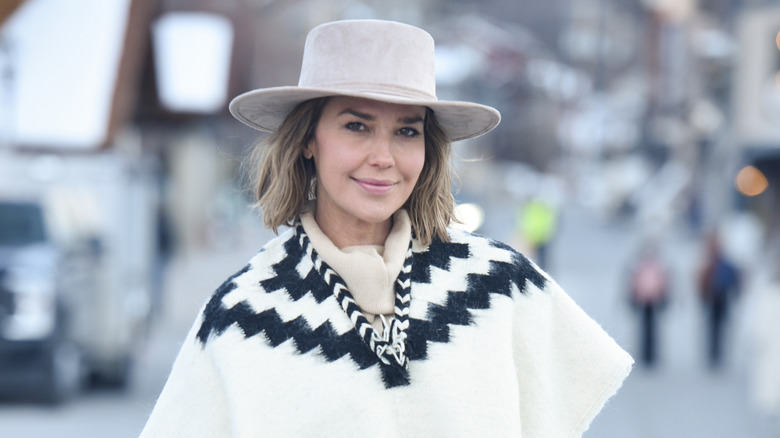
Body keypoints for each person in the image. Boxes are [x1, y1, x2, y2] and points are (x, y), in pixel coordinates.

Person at [139, 19, 633, 437]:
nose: (383, 158)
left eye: (407, 131)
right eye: (356, 126)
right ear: (309, 139)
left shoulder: (500, 286)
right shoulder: (243, 317)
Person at [696, 230, 741, 368]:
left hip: (721, 297)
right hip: (713, 298)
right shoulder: (709, 263)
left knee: (719, 327)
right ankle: (714, 353)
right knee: (713, 327)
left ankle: (717, 353)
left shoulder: (719, 262)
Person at [627, 241, 669, 367]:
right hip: (643, 300)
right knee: (644, 329)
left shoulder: (656, 267)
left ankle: (651, 355)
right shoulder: (640, 267)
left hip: (653, 300)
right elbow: (633, 284)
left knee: (652, 329)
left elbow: (663, 284)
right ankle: (645, 354)